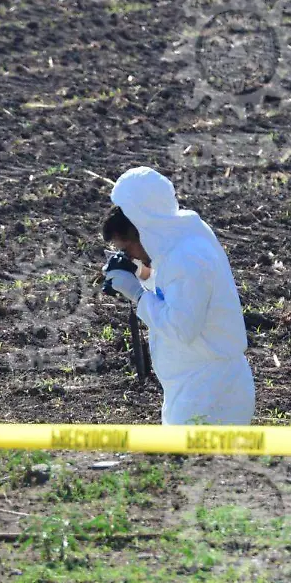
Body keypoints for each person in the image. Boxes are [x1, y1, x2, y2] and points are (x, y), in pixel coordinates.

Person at [100, 167, 255, 425]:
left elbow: (182, 327)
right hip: (194, 387)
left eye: (128, 249)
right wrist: (141, 274)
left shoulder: (188, 258)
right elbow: (172, 291)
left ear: (144, 228)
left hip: (210, 395)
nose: (131, 256)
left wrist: (138, 295)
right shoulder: (180, 239)